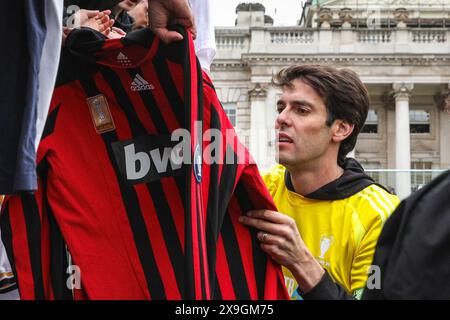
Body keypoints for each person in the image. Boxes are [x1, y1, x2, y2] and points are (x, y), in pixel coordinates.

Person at [239, 64, 400, 300]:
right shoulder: (260, 189)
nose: (281, 119)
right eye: (281, 107)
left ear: (341, 129)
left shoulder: (380, 216)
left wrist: (302, 264)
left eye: (301, 110)